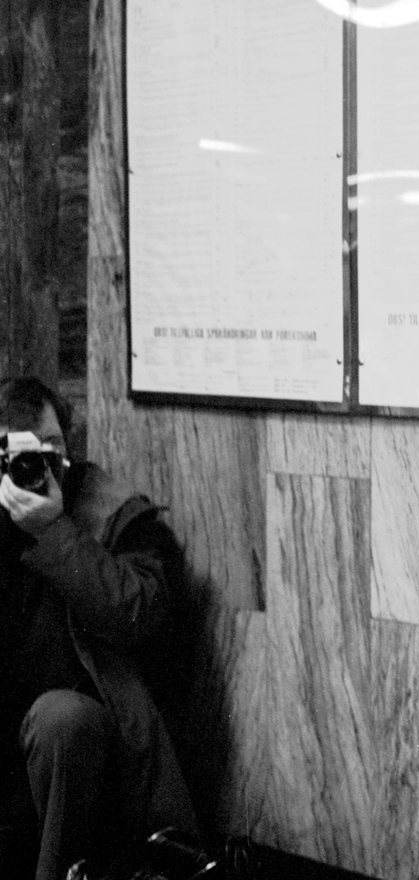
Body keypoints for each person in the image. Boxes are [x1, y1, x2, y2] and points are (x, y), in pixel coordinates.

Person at [0, 377, 197, 880]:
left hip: (90, 747)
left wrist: (54, 532)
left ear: (68, 447)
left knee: (62, 720)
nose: (34, 468)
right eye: (15, 455)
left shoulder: (113, 512)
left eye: (49, 450)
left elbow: (139, 614)